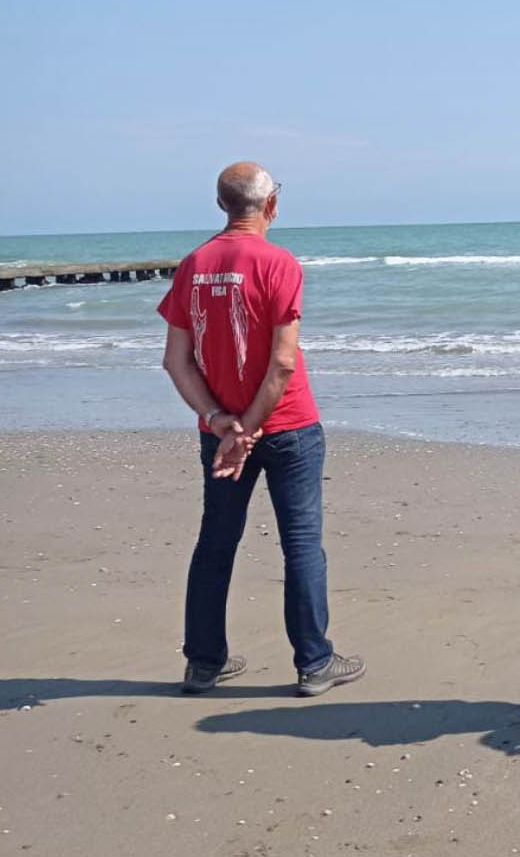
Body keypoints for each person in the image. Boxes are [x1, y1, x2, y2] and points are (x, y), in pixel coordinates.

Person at [157, 162, 364, 697]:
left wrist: (220, 422)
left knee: (216, 541)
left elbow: (176, 361)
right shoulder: (278, 262)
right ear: (271, 204)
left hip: (223, 429)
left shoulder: (194, 264)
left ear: (221, 205)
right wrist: (248, 427)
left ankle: (203, 663)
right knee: (301, 542)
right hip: (287, 424)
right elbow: (283, 363)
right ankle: (314, 662)